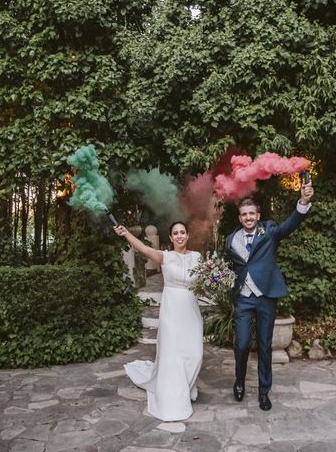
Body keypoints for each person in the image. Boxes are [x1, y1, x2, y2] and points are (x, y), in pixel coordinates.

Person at [223, 180, 314, 411]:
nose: (248, 217)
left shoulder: (270, 231)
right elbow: (224, 267)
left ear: (258, 214)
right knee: (242, 345)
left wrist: (303, 201)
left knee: (264, 346)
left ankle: (264, 392)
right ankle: (239, 381)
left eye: (251, 213)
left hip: (266, 297)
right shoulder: (230, 240)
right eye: (244, 214)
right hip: (243, 297)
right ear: (239, 217)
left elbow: (290, 225)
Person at [114, 221, 203, 422]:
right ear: (170, 238)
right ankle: (174, 398)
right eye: (175, 233)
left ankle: (186, 387)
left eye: (182, 232)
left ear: (188, 235)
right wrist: (126, 233)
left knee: (195, 353)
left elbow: (205, 279)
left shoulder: (197, 257)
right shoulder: (165, 257)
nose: (179, 236)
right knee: (172, 355)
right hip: (171, 311)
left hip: (191, 311)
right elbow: (143, 248)